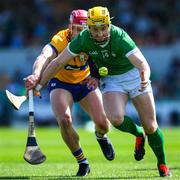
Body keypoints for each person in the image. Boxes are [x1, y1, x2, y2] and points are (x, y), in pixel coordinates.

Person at [35, 6, 172, 177]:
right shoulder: (83, 39)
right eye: (94, 29)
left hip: (134, 76)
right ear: (89, 28)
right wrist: (39, 84)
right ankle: (138, 133)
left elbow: (143, 64)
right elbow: (56, 63)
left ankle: (162, 164)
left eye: (103, 28)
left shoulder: (120, 37)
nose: (99, 33)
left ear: (108, 25)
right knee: (114, 119)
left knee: (151, 126)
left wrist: (144, 77)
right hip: (112, 79)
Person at [24, 9, 115, 177]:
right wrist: (37, 75)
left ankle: (101, 136)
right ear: (70, 27)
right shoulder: (60, 39)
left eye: (84, 30)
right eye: (77, 30)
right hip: (61, 83)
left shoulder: (93, 38)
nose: (81, 34)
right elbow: (44, 56)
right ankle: (82, 162)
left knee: (104, 124)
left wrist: (99, 75)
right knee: (65, 120)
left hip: (84, 81)